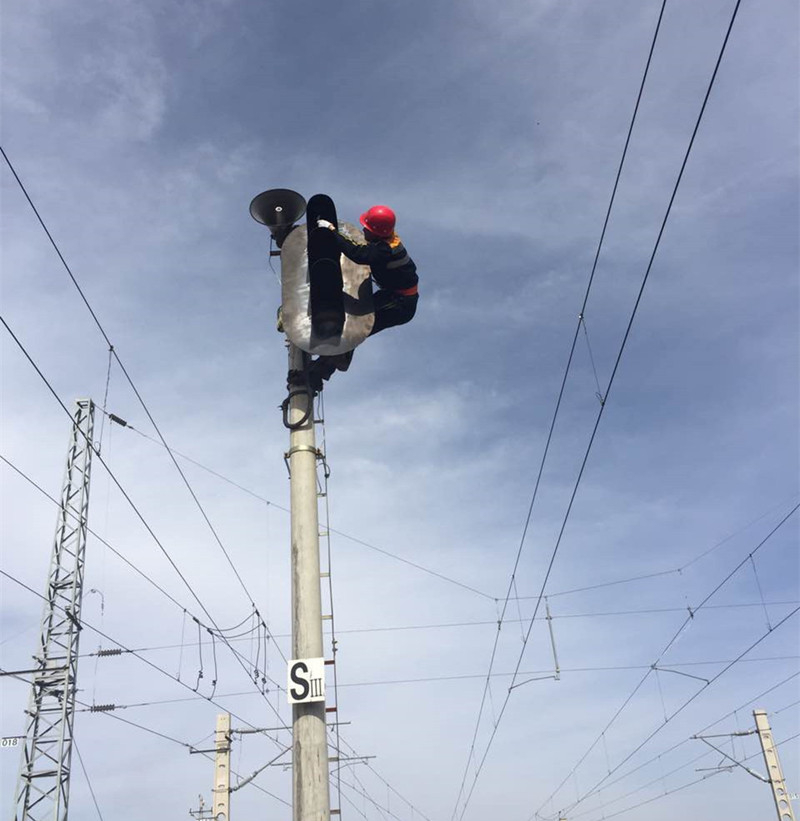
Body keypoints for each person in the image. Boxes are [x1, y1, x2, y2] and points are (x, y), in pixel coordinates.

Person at [307, 204, 418, 389]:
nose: (364, 230)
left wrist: (332, 231)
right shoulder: (386, 240)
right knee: (353, 321)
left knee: (356, 328)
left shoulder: (384, 251)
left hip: (400, 305)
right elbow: (362, 249)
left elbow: (358, 254)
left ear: (377, 233)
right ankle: (333, 360)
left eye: (367, 228)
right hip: (393, 295)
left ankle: (323, 369)